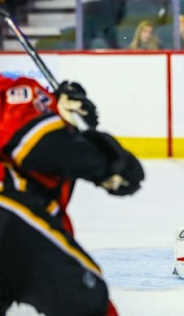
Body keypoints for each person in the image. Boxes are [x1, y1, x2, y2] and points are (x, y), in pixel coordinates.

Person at [0, 74, 144, 315]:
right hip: (8, 219)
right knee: (89, 302)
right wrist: (105, 164)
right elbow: (36, 146)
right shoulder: (18, 90)